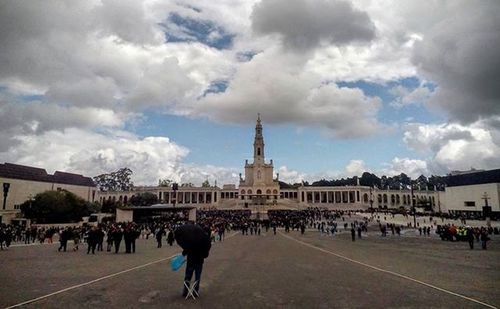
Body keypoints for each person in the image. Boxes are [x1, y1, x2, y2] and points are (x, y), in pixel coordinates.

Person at [180, 229, 212, 298]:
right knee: (197, 277)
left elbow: (186, 249)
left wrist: (183, 253)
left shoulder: (192, 239)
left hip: (191, 261)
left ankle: (185, 291)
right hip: (199, 261)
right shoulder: (204, 240)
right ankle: (195, 292)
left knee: (187, 277)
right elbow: (206, 254)